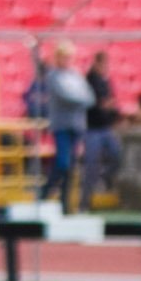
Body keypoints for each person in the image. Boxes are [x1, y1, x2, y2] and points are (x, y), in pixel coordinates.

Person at [36, 42, 94, 210]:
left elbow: (89, 97)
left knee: (71, 166)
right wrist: (81, 99)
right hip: (61, 125)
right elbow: (67, 97)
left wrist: (81, 99)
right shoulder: (53, 76)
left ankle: (65, 202)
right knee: (62, 163)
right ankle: (45, 193)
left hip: (77, 125)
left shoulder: (75, 75)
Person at [81, 50, 124, 208]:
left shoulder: (106, 81)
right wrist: (106, 105)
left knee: (116, 155)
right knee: (91, 165)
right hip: (92, 129)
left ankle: (104, 177)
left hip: (105, 128)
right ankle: (85, 202)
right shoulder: (90, 80)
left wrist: (114, 114)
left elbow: (110, 103)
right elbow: (99, 103)